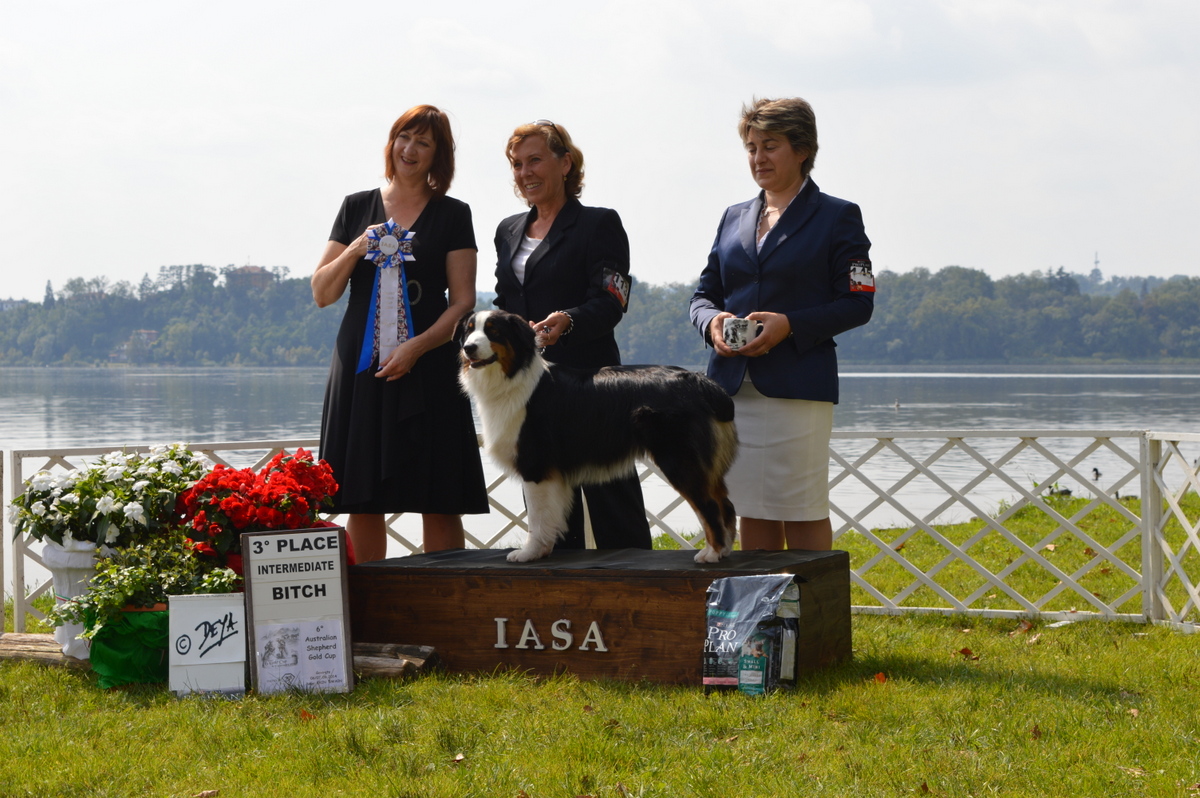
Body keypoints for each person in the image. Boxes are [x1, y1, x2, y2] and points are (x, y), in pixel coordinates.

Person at [689, 97, 875, 552]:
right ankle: (764, 621)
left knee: (801, 507)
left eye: (770, 146)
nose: (758, 158)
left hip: (797, 389)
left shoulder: (838, 215)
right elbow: (702, 296)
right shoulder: (733, 217)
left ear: (803, 149)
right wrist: (712, 323)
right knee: (750, 507)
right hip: (730, 392)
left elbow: (858, 303)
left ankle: (814, 617)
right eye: (751, 147)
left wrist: (789, 324)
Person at [313, 104, 487, 562]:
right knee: (362, 498)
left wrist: (418, 346)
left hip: (430, 364)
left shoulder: (454, 214)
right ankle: (372, 609)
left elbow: (464, 301)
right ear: (391, 143)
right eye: (403, 137)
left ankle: (446, 605)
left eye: (423, 143)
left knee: (440, 495)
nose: (409, 149)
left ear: (438, 156)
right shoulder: (355, 206)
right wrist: (356, 247)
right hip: (361, 367)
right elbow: (322, 292)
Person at [493, 120, 652, 550]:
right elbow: (505, 301)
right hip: (530, 395)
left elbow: (611, 300)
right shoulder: (507, 231)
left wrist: (569, 319)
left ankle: (640, 597)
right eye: (517, 164)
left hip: (594, 390)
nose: (525, 172)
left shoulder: (600, 224)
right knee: (547, 509)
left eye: (535, 160)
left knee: (615, 512)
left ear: (565, 163)